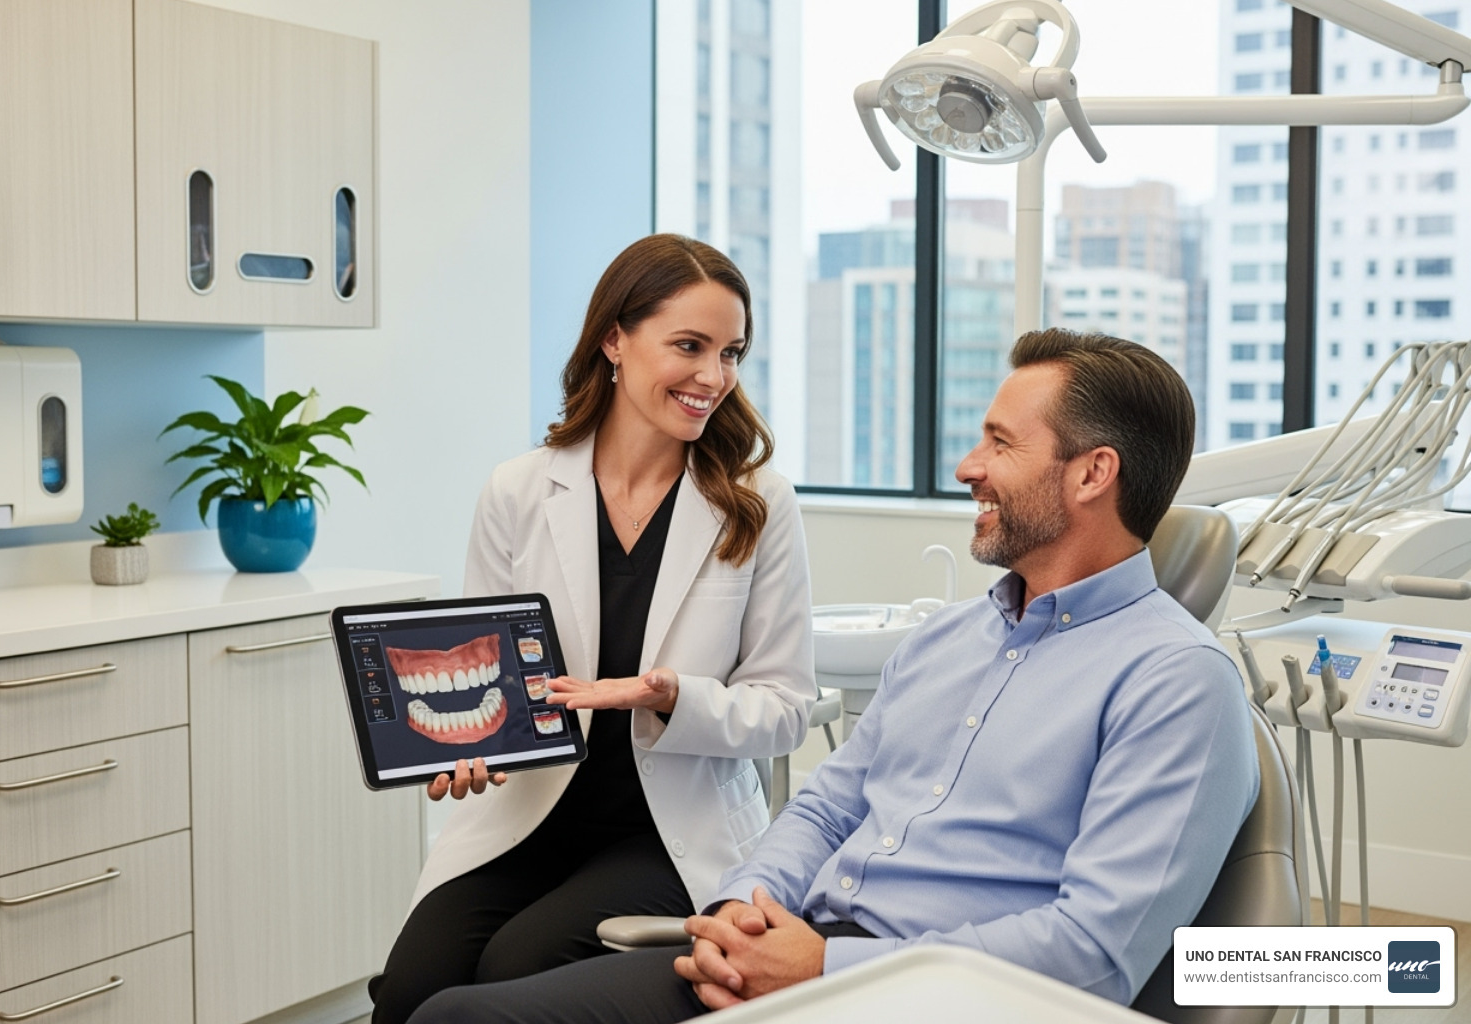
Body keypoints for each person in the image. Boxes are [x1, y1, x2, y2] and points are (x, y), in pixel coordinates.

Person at [401, 328, 1262, 1024]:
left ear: (1091, 473)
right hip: (796, 961)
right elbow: (825, 805)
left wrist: (830, 966)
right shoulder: (945, 643)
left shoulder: (1177, 682)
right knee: (451, 1014)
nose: (968, 467)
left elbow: (1095, 952)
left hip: (923, 999)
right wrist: (745, 904)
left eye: (999, 443)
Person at [368, 235, 818, 1024]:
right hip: (529, 815)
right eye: (690, 346)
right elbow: (492, 678)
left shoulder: (756, 502)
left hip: (670, 829)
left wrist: (666, 694)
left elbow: (783, 708)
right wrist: (469, 749)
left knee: (519, 966)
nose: (714, 377)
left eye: (732, 352)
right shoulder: (518, 490)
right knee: (408, 991)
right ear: (614, 338)